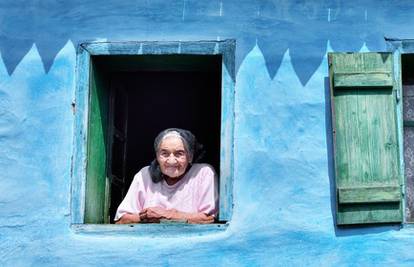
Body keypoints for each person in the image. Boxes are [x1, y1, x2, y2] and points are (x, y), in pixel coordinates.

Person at [114, 128, 218, 224]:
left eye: (179, 153)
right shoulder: (145, 174)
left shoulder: (203, 173)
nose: (171, 161)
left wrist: (169, 215)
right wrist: (145, 217)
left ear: (190, 156)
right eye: (164, 153)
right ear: (157, 156)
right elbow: (121, 220)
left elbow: (209, 218)